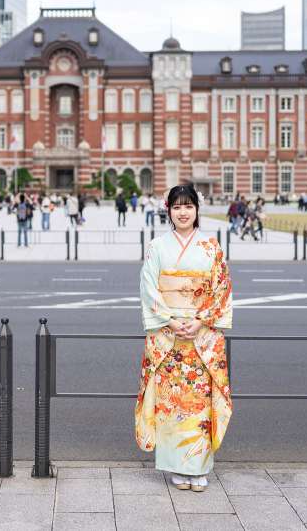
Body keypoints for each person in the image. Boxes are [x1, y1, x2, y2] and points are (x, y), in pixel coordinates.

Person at [136, 184, 233, 493]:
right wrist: (171, 320)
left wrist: (200, 320)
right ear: (169, 211)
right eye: (177, 207)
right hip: (169, 336)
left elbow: (222, 288)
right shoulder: (157, 246)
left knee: (200, 403)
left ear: (196, 210)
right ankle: (177, 467)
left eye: (188, 206)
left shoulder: (211, 246)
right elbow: (149, 287)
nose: (182, 212)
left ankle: (199, 466)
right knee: (171, 403)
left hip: (200, 337)